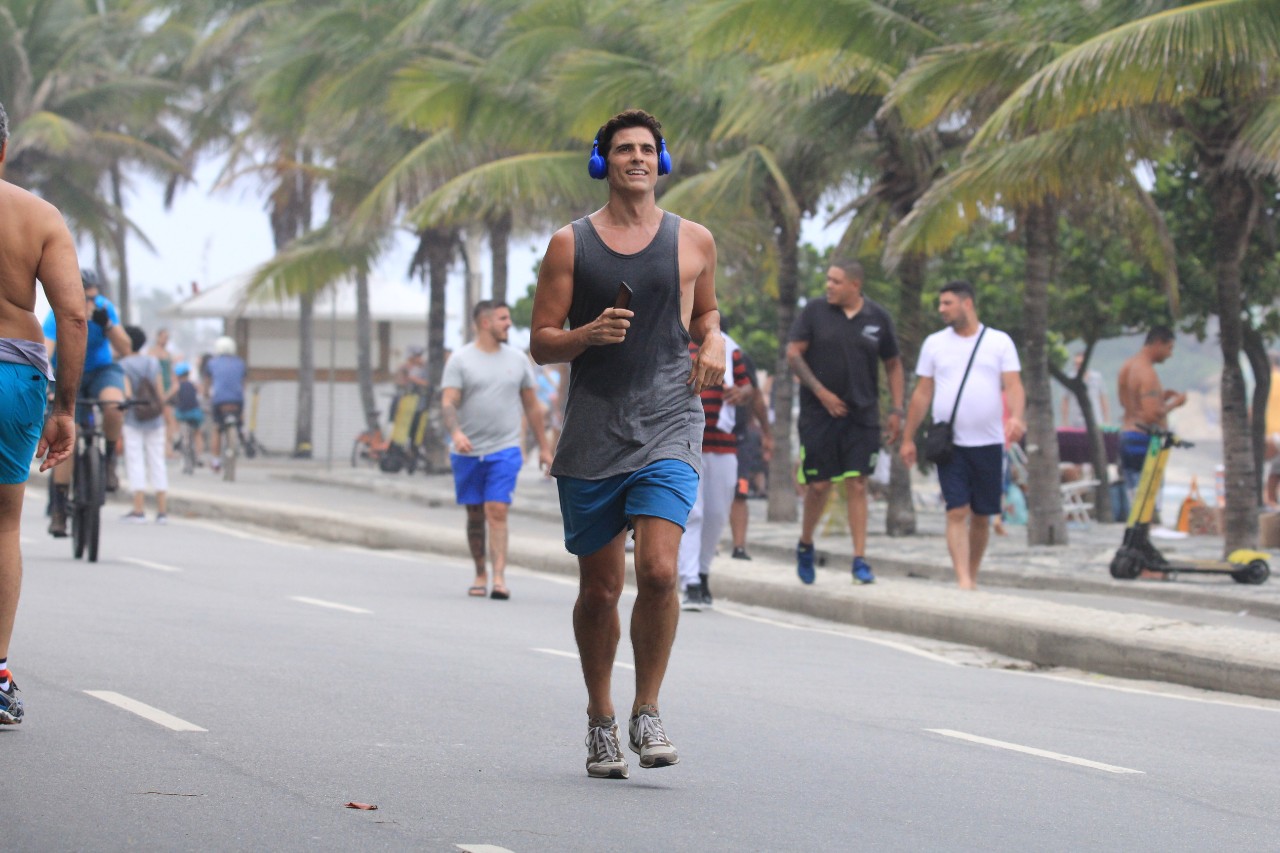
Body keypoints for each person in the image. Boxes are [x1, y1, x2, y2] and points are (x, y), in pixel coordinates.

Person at [530, 109, 724, 780]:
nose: (636, 158)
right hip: (594, 430)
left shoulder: (694, 239)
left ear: (661, 160)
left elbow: (706, 311)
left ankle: (648, 707)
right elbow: (541, 340)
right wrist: (587, 336)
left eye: (647, 149)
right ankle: (600, 717)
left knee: (663, 570)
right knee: (600, 589)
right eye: (623, 150)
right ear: (602, 161)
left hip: (671, 418)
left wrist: (716, 338)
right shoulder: (570, 245)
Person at [0, 99, 88, 722]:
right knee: (3, 525)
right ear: (3, 148)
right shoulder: (38, 215)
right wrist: (66, 407)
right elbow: (74, 315)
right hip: (14, 376)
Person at [901, 280, 1025, 590]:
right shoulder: (934, 344)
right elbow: (922, 392)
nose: (941, 309)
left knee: (982, 515)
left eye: (947, 303)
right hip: (950, 444)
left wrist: (1018, 418)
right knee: (957, 509)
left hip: (989, 442)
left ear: (967, 303)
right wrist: (907, 437)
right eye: (940, 304)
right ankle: (963, 579)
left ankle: (972, 571)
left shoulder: (999, 342)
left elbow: (1013, 384)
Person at [787, 258, 905, 585]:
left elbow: (893, 364)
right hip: (818, 416)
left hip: (863, 415)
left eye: (835, 281)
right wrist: (821, 392)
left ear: (855, 285)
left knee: (857, 483)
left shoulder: (878, 318)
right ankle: (806, 543)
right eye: (828, 280)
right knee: (820, 486)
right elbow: (793, 353)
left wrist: (897, 409)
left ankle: (859, 560)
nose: (829, 286)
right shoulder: (814, 312)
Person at [440, 300, 552, 601]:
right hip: (467, 451)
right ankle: (480, 572)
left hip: (505, 449)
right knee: (475, 514)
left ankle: (499, 577)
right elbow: (448, 402)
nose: (508, 324)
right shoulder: (460, 360)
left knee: (497, 510)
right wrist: (456, 432)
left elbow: (531, 405)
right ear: (485, 322)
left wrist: (544, 448)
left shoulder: (517, 360)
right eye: (503, 319)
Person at [44, 268, 131, 534]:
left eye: (93, 298)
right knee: (68, 437)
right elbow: (45, 354)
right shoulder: (56, 314)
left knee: (115, 406)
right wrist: (49, 387)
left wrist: (108, 325)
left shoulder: (105, 309)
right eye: (85, 299)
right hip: (68, 373)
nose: (90, 304)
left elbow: (125, 349)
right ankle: (59, 507)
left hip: (102, 371)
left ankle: (108, 463)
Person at [676, 333, 759, 611]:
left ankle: (702, 572)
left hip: (723, 445)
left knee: (716, 514)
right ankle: (690, 582)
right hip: (685, 442)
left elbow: (748, 388)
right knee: (693, 512)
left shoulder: (730, 349)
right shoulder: (675, 343)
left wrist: (741, 393)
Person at [1117, 326, 1186, 510]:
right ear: (1157, 344)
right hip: (1144, 440)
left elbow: (1128, 403)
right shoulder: (1147, 373)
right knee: (1149, 504)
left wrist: (1160, 398)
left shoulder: (1128, 366)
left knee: (1136, 502)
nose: (1170, 354)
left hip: (1127, 436)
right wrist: (1175, 404)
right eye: (1169, 348)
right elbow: (1150, 415)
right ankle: (1145, 534)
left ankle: (1137, 537)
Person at [119, 326, 169, 523]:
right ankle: (162, 511)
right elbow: (160, 392)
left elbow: (127, 394)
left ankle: (139, 510)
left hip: (133, 419)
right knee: (157, 461)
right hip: (155, 419)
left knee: (135, 461)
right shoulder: (153, 362)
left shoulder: (123, 365)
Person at [729, 351, 772, 560]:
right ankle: (708, 544)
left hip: (739, 438)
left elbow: (756, 397)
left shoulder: (741, 358)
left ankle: (738, 546)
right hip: (702, 438)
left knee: (740, 491)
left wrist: (766, 433)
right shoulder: (688, 350)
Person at [202, 335, 246, 472]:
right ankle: (242, 433)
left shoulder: (212, 363)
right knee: (240, 418)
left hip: (219, 401)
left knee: (217, 428)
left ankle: (215, 461)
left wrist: (206, 394)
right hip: (237, 401)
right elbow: (243, 383)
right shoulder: (240, 363)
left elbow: (207, 382)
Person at [1061, 351, 1110, 428]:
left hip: (1096, 420)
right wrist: (1065, 422)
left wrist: (1107, 420)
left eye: (1080, 364)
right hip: (1076, 422)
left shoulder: (1097, 377)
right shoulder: (1070, 378)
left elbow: (1103, 399)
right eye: (1076, 364)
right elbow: (1065, 400)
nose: (1078, 366)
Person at [148, 327, 178, 455]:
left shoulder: (168, 355)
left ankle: (168, 447)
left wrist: (171, 389)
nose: (165, 340)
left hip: (167, 390)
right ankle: (157, 448)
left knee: (170, 420)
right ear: (158, 337)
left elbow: (172, 374)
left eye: (167, 338)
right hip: (154, 391)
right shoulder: (151, 353)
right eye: (163, 337)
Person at [171, 361, 205, 461]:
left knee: (173, 418)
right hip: (195, 413)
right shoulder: (193, 384)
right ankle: (199, 455)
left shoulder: (177, 385)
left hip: (182, 414)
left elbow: (167, 396)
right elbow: (202, 393)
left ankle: (176, 435)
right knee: (197, 432)